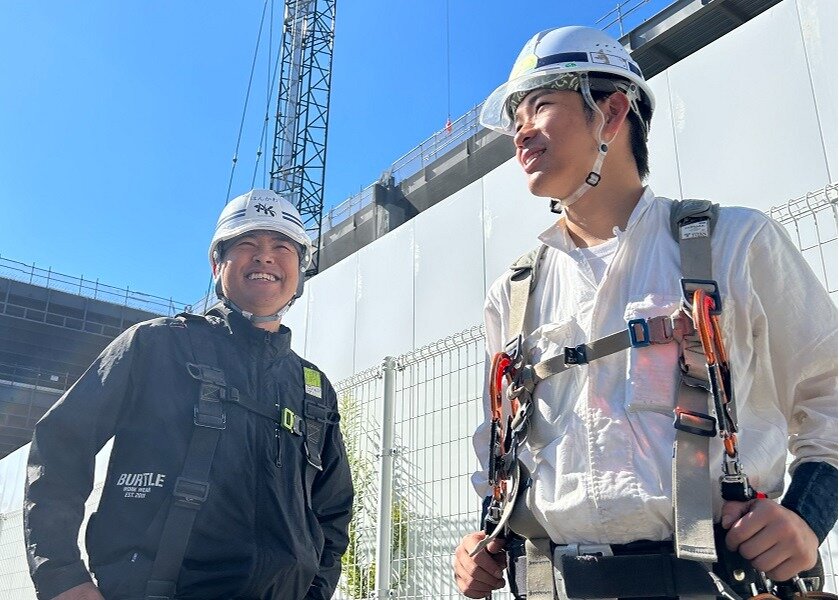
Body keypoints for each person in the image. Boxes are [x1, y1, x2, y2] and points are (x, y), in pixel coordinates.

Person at [453, 26, 837, 599]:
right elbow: (501, 449)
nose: (521, 131)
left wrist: (807, 518)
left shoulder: (732, 243)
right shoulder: (514, 294)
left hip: (713, 583)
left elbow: (828, 388)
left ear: (611, 113)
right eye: (515, 117)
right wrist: (481, 539)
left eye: (541, 104)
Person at [25, 189, 354, 600]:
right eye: (247, 244)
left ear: (300, 269)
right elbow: (61, 442)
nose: (265, 256)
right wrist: (61, 576)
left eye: (282, 246)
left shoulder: (313, 386)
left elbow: (333, 509)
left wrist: (316, 591)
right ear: (217, 264)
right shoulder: (156, 345)